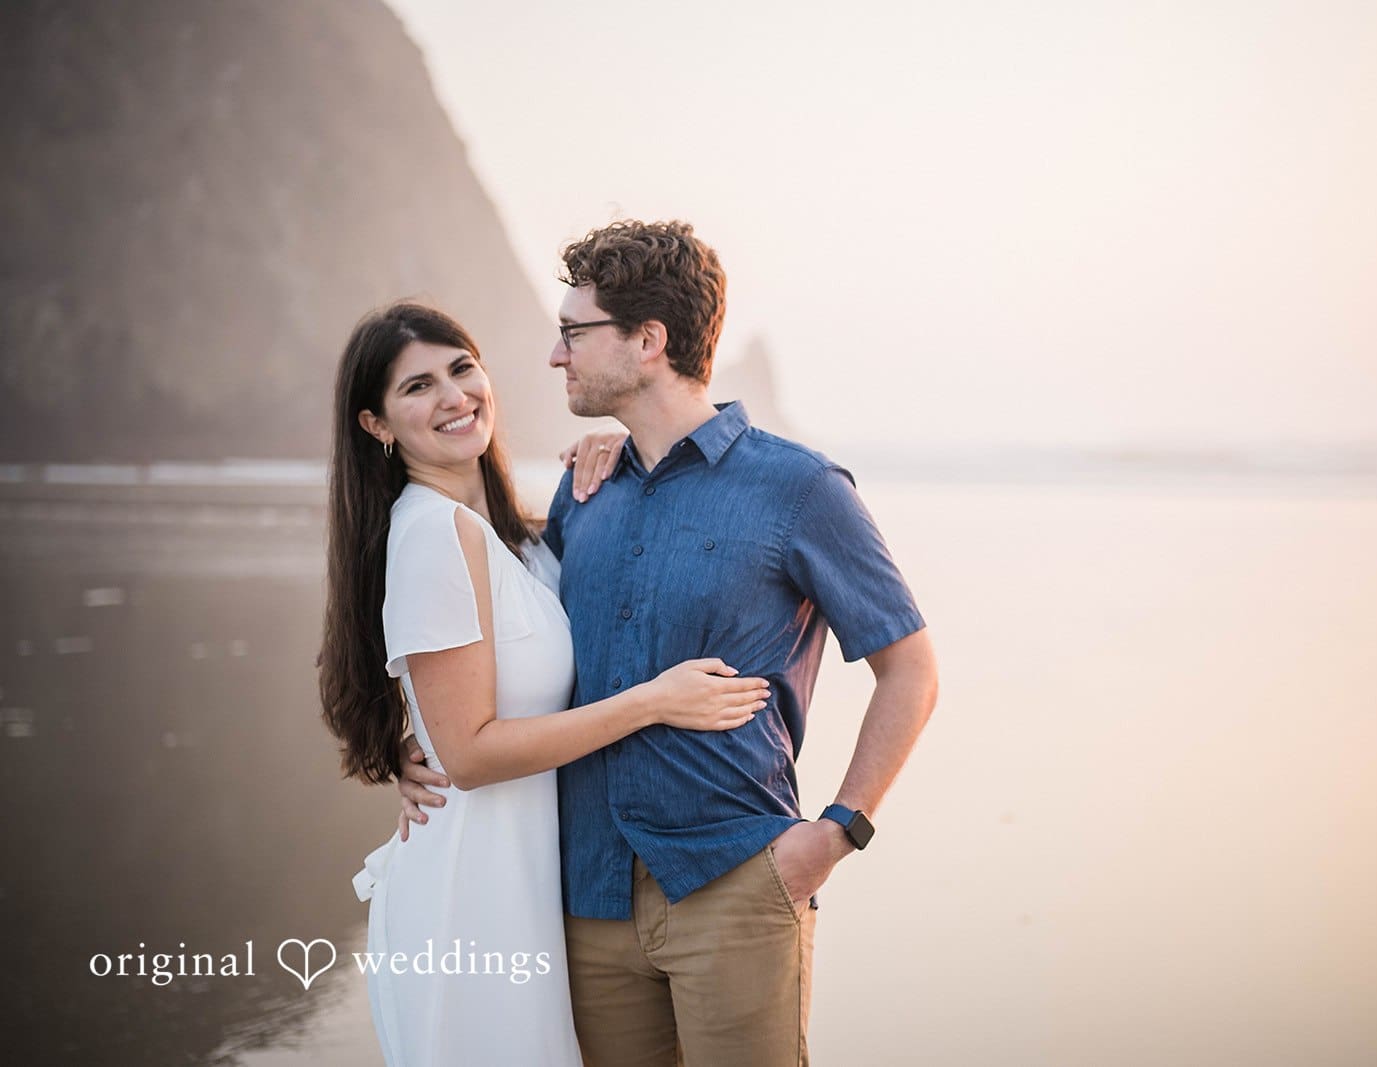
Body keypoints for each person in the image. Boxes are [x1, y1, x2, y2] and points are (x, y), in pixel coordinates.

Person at [398, 220, 940, 1066]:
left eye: (575, 332)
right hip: (585, 901)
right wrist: (413, 742)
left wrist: (837, 831)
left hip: (736, 884)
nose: (553, 355)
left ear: (648, 341)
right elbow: (497, 638)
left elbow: (909, 668)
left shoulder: (800, 487)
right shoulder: (586, 492)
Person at [318, 302, 771, 1067]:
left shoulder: (504, 534)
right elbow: (469, 754)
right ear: (377, 425)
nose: (455, 397)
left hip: (526, 881)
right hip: (471, 889)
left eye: (462, 369)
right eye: (418, 387)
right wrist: (653, 701)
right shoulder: (434, 533)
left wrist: (618, 447)